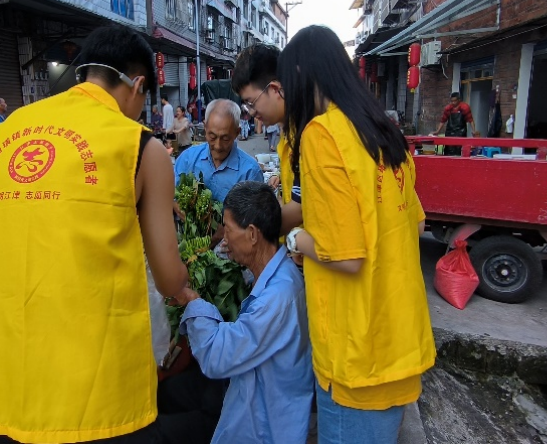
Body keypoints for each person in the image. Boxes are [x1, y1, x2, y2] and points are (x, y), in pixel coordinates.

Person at [0, 25, 188, 444]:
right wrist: (187, 287)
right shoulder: (139, 146)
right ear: (137, 86)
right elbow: (168, 278)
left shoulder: (3, 135)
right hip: (90, 399)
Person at [277, 26, 435, 444]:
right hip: (397, 335)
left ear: (301, 74)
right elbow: (416, 223)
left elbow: (345, 256)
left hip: (356, 349)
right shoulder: (381, 129)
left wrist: (296, 240)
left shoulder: (322, 134)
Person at [169, 181, 314, 444]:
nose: (224, 239)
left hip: (264, 427)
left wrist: (192, 300)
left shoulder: (277, 298)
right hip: (249, 397)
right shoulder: (276, 273)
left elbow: (217, 357)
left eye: (228, 230)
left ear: (252, 234)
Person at [232, 44, 302, 229]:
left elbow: (301, 209)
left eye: (251, 102)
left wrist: (251, 234)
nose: (251, 112)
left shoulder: (308, 132)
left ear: (274, 89)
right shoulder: (288, 131)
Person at [173, 99, 263, 206]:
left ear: (236, 132)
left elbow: (255, 214)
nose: (218, 146)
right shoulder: (188, 158)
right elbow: (170, 194)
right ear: (205, 127)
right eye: (212, 137)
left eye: (225, 139)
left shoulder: (250, 172)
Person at [433, 91, 480, 156]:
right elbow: (443, 120)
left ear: (459, 100)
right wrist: (438, 131)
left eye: (455, 101)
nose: (453, 103)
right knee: (448, 150)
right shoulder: (448, 109)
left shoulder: (465, 108)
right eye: (452, 101)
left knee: (459, 151)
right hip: (450, 132)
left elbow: (470, 120)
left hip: (461, 132)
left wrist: (474, 131)